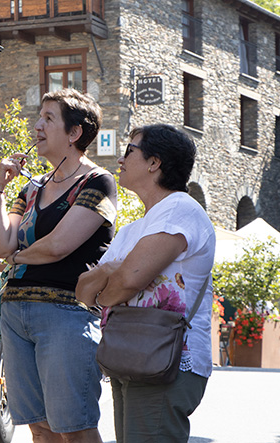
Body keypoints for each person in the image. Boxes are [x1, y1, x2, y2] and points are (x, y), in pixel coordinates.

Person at [0, 88, 117, 443]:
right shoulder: (31, 188)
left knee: (74, 428)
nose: (37, 126)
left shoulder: (98, 182)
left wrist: (15, 258)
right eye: (39, 117)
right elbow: (0, 244)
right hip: (16, 315)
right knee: (40, 429)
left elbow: (58, 247)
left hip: (66, 313)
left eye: (48, 118)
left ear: (75, 133)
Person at [76, 124, 215, 443]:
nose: (120, 160)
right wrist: (111, 269)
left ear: (155, 162)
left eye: (129, 151)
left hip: (165, 358)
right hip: (134, 354)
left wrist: (110, 282)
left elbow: (128, 281)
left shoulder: (180, 208)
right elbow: (84, 293)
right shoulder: (133, 229)